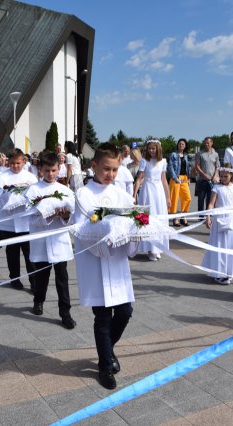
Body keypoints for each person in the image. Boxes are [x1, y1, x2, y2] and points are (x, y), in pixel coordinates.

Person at [73, 143, 136, 390]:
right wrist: (105, 228)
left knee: (125, 312)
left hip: (117, 262)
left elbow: (132, 218)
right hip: (96, 262)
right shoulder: (84, 194)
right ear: (94, 166)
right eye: (106, 169)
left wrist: (134, 230)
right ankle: (104, 366)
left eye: (115, 170)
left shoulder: (121, 194)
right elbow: (81, 228)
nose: (110, 175)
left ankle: (108, 351)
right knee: (102, 317)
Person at [25, 151, 76, 329]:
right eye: (47, 170)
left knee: (62, 277)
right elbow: (30, 218)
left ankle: (65, 312)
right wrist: (47, 215)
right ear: (40, 170)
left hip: (59, 239)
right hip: (41, 239)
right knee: (42, 276)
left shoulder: (65, 190)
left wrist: (64, 215)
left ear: (59, 168)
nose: (51, 174)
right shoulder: (33, 190)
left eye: (54, 170)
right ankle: (38, 300)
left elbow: (72, 215)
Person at [0, 149, 38, 290]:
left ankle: (34, 280)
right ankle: (15, 278)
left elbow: (37, 194)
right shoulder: (2, 176)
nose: (15, 166)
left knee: (30, 254)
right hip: (9, 220)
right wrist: (9, 198)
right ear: (8, 163)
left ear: (24, 161)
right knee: (12, 252)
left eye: (18, 163)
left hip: (26, 222)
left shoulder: (31, 177)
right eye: (12, 163)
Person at [201, 164, 233, 284]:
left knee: (231, 244)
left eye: (226, 176)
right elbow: (211, 203)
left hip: (232, 218)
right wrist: (208, 216)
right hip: (220, 217)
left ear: (231, 176)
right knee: (220, 244)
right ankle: (219, 272)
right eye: (222, 176)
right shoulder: (217, 187)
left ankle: (229, 271)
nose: (223, 178)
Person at [132, 140, 170, 261]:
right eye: (149, 149)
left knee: (158, 217)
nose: (151, 151)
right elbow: (139, 179)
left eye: (153, 149)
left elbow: (164, 180)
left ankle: (157, 247)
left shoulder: (163, 162)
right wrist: (134, 194)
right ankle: (150, 248)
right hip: (147, 191)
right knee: (147, 218)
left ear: (158, 149)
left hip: (158, 192)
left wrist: (168, 197)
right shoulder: (144, 161)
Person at [167, 138, 192, 227]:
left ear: (185, 146)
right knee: (174, 198)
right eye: (180, 144)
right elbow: (170, 167)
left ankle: (183, 216)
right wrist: (174, 177)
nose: (181, 145)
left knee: (187, 198)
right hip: (176, 178)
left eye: (183, 144)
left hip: (184, 178)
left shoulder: (185, 155)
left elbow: (188, 168)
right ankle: (175, 219)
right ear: (177, 145)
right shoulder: (174, 154)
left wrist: (189, 178)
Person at [194, 136, 219, 217]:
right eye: (205, 143)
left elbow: (217, 166)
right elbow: (197, 166)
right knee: (201, 199)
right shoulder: (200, 154)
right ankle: (201, 216)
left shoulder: (215, 154)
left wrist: (215, 176)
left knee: (210, 198)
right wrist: (204, 175)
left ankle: (208, 215)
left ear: (211, 143)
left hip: (212, 180)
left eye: (208, 143)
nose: (206, 144)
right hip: (202, 180)